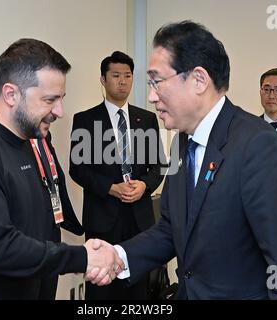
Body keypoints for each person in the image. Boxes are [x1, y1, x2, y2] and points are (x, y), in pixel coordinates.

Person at [87, 21, 277, 299]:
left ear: (198, 80)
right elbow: (172, 229)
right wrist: (118, 256)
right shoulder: (183, 142)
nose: (150, 96)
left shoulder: (260, 147)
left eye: (157, 81)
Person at [0, 38, 123, 300]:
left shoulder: (31, 144)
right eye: (50, 100)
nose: (59, 111)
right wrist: (82, 257)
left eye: (61, 99)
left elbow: (38, 230)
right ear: (10, 94)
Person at [69, 51, 165, 299]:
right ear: (103, 79)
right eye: (116, 75)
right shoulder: (85, 120)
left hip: (139, 218)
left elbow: (159, 166)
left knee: (137, 288)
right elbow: (77, 169)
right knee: (101, 287)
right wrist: (110, 187)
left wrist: (144, 185)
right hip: (102, 216)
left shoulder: (147, 119)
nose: (123, 81)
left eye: (128, 75)